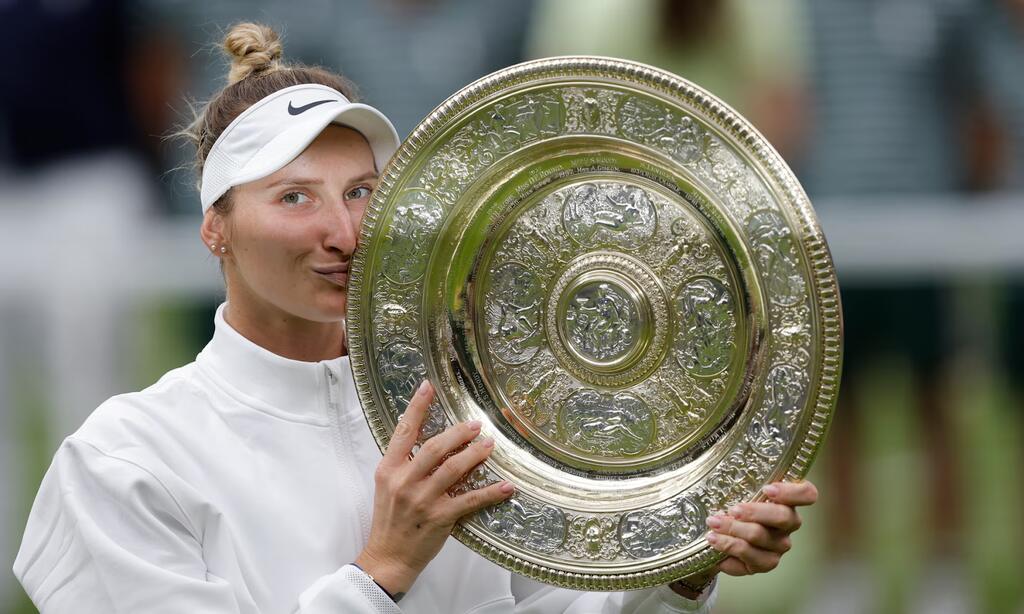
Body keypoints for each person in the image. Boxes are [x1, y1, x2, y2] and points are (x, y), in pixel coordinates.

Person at [13, 23, 817, 613]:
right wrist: (382, 568)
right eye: (294, 198)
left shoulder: (466, 416)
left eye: (362, 192)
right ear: (215, 227)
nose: (345, 233)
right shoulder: (124, 461)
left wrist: (679, 574)